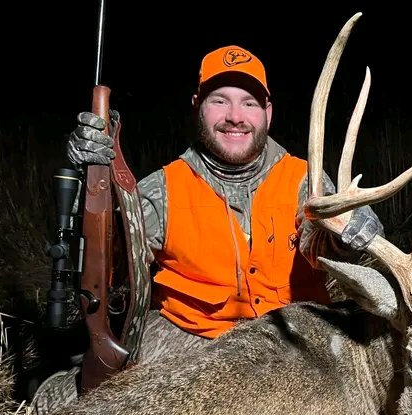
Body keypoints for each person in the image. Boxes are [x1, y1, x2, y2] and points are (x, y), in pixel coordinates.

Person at [65, 44, 384, 364]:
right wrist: (90, 185)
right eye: (219, 101)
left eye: (249, 103)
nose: (235, 117)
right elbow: (109, 267)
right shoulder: (163, 190)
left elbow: (319, 244)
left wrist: (347, 234)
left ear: (267, 113)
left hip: (294, 338)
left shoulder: (305, 180)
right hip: (192, 341)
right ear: (197, 107)